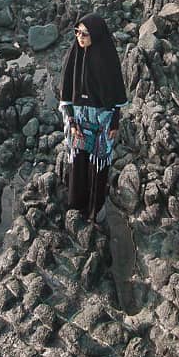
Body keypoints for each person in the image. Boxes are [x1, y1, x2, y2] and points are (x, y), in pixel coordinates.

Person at [58, 13, 127, 225]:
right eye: (77, 32)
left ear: (95, 34)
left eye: (85, 33)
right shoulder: (74, 55)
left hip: (102, 122)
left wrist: (114, 122)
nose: (80, 36)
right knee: (78, 161)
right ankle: (76, 203)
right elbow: (66, 94)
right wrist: (70, 121)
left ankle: (94, 208)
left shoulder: (107, 58)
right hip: (78, 122)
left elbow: (116, 96)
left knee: (98, 165)